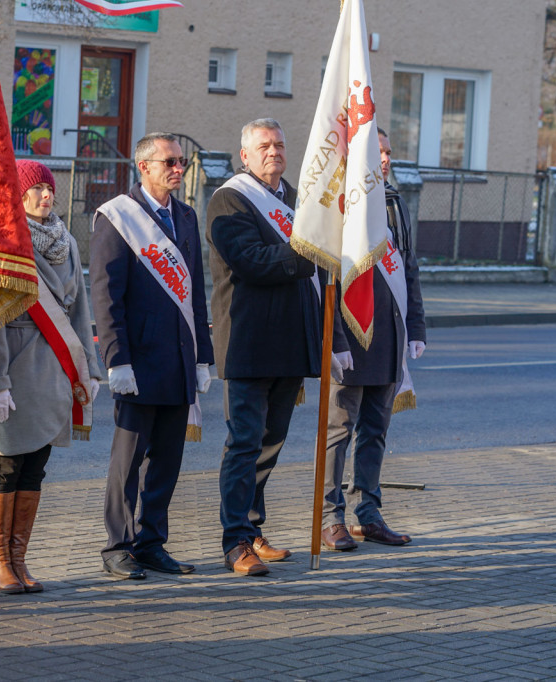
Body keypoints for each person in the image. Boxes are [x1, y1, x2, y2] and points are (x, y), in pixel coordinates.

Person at [207, 118, 345, 576]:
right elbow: (250, 262)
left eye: (280, 145)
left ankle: (252, 527)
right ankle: (234, 543)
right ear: (244, 155)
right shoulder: (229, 199)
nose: (274, 152)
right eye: (264, 146)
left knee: (270, 445)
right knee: (244, 444)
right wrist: (309, 251)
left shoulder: (296, 200)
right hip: (249, 343)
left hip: (290, 345)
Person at [90, 132, 214, 580]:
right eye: (169, 162)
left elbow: (195, 292)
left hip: (179, 360)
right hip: (138, 363)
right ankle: (118, 546)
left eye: (182, 161)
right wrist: (115, 358)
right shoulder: (119, 217)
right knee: (128, 462)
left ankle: (151, 542)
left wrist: (204, 356)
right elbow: (106, 294)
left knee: (167, 459)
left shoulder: (186, 215)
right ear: (144, 167)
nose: (178, 169)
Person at [0, 160, 101, 594]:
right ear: (17, 195)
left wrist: (91, 365)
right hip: (16, 363)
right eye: (36, 190)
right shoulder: (4, 239)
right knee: (9, 461)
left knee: (37, 464)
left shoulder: (64, 240)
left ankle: (17, 558)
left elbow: (81, 309)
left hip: (57, 364)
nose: (46, 196)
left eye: (49, 189)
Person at [321, 128, 426, 551]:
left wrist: (415, 326)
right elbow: (326, 278)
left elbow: (409, 269)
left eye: (387, 152)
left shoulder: (393, 202)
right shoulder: (336, 205)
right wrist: (334, 339)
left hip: (389, 337)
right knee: (337, 433)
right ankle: (330, 518)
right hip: (350, 336)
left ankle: (368, 511)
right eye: (376, 151)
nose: (383, 159)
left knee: (376, 431)